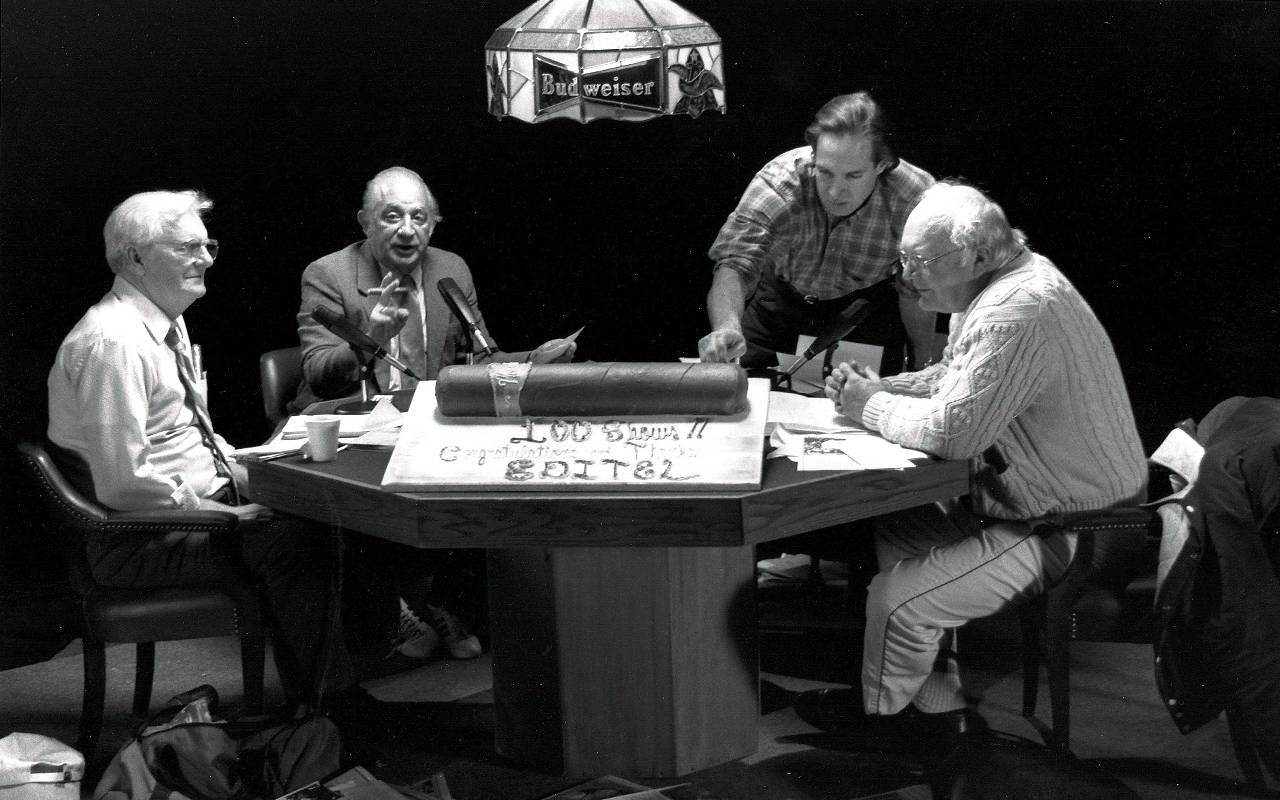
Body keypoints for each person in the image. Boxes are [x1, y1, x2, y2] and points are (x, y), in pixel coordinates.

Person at [796, 181, 1148, 752]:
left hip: (1082, 529)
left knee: (896, 600)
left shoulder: (1018, 310)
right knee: (899, 527)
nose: (907, 278)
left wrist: (871, 406)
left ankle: (886, 722)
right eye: (905, 259)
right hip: (1049, 512)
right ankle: (936, 701)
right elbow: (955, 381)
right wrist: (881, 388)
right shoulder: (1000, 287)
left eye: (921, 262)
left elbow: (954, 433)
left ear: (979, 255)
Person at [46, 189, 379, 728]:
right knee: (296, 538)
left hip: (185, 510)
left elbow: (185, 434)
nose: (205, 260)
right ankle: (335, 709)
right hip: (139, 539)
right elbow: (121, 484)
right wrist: (222, 514)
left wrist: (254, 467)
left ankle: (319, 699)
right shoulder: (113, 342)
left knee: (323, 503)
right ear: (135, 257)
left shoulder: (162, 320)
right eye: (188, 249)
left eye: (208, 247)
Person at [293, 166, 575, 663]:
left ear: (434, 223)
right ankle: (393, 612)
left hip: (423, 424)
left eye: (419, 217)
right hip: (352, 424)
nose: (407, 229)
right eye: (392, 216)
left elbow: (481, 359)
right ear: (364, 223)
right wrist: (373, 338)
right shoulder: (328, 274)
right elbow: (320, 373)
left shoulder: (451, 269)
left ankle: (439, 601)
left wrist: (533, 361)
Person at [698, 91, 937, 375]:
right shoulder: (778, 183)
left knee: (866, 405)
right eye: (825, 172)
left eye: (853, 176)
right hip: (780, 303)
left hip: (861, 312)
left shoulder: (915, 199)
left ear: (882, 165)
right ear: (814, 155)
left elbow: (915, 287)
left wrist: (923, 364)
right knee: (739, 391)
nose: (835, 192)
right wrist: (727, 327)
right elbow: (734, 265)